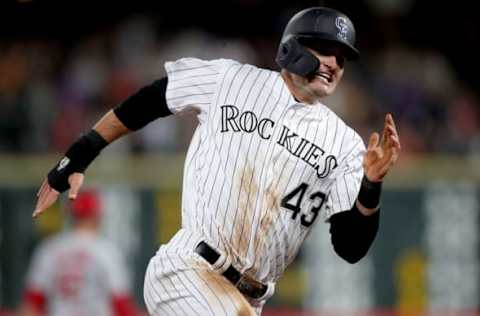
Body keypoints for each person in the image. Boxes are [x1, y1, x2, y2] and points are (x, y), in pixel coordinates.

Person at [33, 6, 401, 316]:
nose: (334, 63)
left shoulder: (345, 144)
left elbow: (350, 247)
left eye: (342, 57)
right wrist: (80, 153)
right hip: (188, 269)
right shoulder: (230, 79)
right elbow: (149, 102)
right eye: (325, 50)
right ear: (292, 49)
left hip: (246, 299)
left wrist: (370, 184)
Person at [22, 190, 138, 316]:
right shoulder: (106, 251)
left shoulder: (49, 249)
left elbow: (32, 303)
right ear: (97, 216)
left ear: (71, 216)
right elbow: (120, 303)